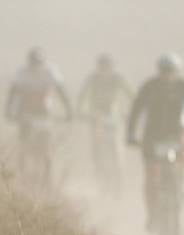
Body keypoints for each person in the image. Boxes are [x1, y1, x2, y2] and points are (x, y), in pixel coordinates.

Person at [126, 53, 184, 231]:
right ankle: (152, 213)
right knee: (151, 176)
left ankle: (182, 181)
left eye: (171, 71)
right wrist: (130, 134)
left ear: (177, 72)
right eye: (164, 71)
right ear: (159, 71)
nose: (167, 75)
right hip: (152, 137)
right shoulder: (150, 86)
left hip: (177, 134)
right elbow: (136, 110)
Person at [5, 48, 72, 183]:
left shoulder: (50, 71)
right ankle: (22, 177)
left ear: (42, 62)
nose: (35, 66)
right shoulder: (22, 73)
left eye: (38, 63)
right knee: (23, 146)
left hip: (44, 114)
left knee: (47, 148)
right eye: (33, 63)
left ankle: (48, 179)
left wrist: (69, 110)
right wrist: (8, 111)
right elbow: (13, 92)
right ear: (29, 62)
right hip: (25, 114)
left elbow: (61, 90)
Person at [77, 54, 133, 191]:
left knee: (117, 146)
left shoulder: (118, 78)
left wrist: (130, 113)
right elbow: (82, 96)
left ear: (112, 68)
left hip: (114, 116)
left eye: (107, 67)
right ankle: (97, 167)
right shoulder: (92, 79)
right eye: (102, 67)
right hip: (96, 116)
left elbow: (131, 95)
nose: (105, 70)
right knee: (96, 144)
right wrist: (81, 112)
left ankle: (120, 175)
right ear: (98, 68)